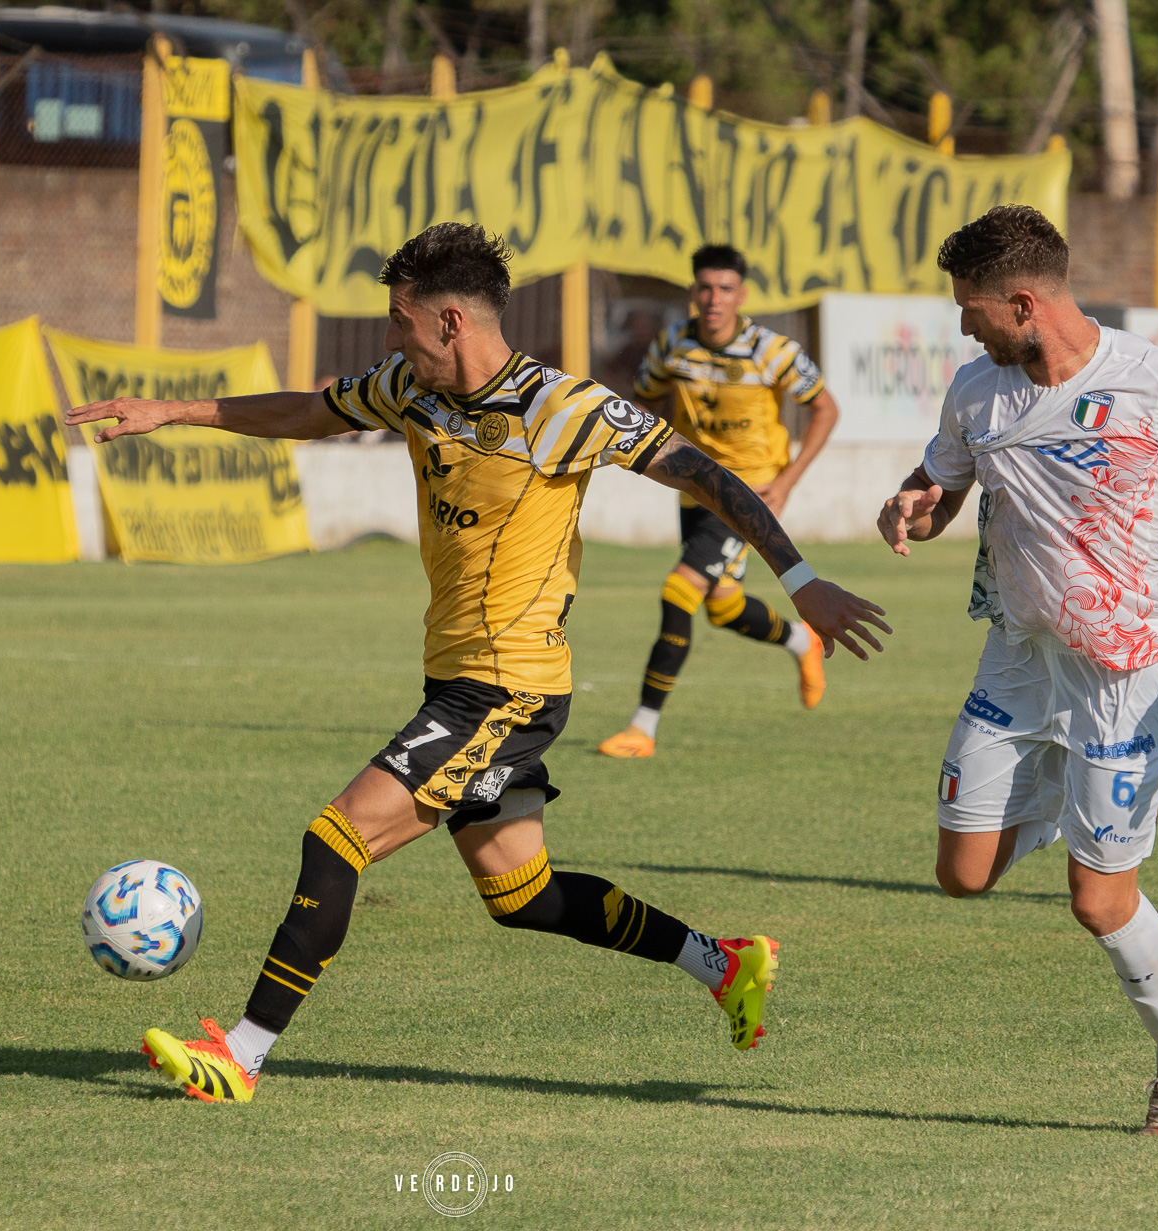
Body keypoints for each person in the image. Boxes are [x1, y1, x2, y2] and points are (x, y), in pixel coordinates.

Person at [68, 223, 893, 1104]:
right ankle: (724, 962)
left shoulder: (565, 409)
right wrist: (174, 412)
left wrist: (800, 580)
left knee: (337, 835)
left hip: (507, 688)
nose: (392, 338)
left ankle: (241, 1053)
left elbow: (706, 474)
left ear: (452, 321)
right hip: (459, 680)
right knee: (522, 894)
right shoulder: (407, 389)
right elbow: (310, 412)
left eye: (400, 320)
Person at [877, 205, 1158, 1137]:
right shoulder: (976, 391)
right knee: (960, 875)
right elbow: (942, 490)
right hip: (1019, 659)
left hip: (1124, 673)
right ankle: (1057, 807)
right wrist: (915, 506)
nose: (964, 325)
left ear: (1026, 304)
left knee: (1098, 901)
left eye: (975, 309)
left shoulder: (1150, 383)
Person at [599, 246, 842, 759]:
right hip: (693, 491)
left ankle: (642, 727)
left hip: (745, 495)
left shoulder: (772, 350)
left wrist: (789, 480)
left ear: (741, 295)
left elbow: (824, 408)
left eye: (725, 289)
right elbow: (643, 400)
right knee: (723, 606)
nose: (714, 299)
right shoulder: (672, 345)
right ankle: (803, 642)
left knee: (679, 590)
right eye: (705, 288)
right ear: (694, 292)